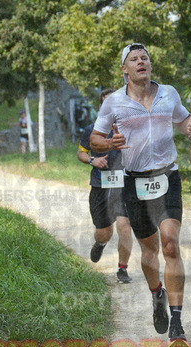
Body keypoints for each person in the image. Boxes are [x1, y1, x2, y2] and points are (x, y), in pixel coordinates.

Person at [90, 43, 191, 344]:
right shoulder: (114, 102)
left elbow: (184, 121)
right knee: (149, 252)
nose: (141, 62)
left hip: (167, 176)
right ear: (124, 69)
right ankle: (156, 294)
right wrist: (109, 144)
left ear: (150, 65)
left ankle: (177, 321)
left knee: (171, 246)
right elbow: (95, 138)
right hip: (134, 182)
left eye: (145, 58)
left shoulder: (169, 93)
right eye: (134, 59)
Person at [78, 88, 134, 284]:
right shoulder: (91, 130)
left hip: (124, 185)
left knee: (125, 225)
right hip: (100, 185)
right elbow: (81, 153)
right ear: (101, 106)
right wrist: (92, 160)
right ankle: (100, 243)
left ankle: (122, 269)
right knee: (104, 232)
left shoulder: (129, 128)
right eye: (106, 103)